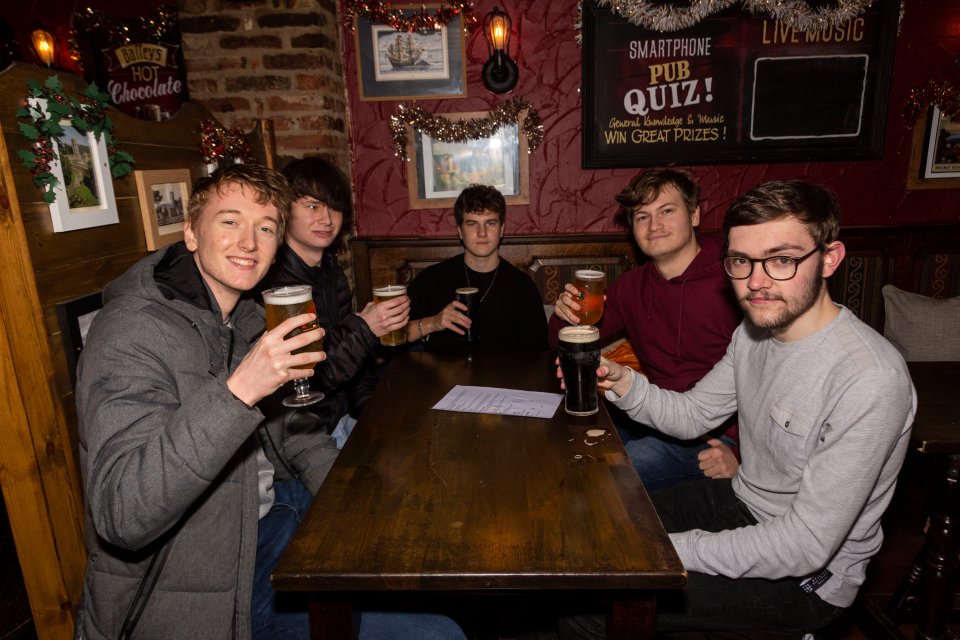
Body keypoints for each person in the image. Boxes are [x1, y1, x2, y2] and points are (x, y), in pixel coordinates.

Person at [74, 164, 465, 640]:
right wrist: (240, 391)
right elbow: (122, 515)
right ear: (191, 234)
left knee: (420, 557)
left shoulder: (246, 319)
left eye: (265, 228)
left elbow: (297, 438)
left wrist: (359, 505)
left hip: (270, 521)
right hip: (191, 586)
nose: (249, 242)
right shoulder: (129, 332)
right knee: (437, 634)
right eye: (230, 221)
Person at [559, 180, 916, 638]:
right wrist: (624, 381)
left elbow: (805, 545)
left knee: (591, 610)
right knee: (597, 532)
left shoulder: (870, 378)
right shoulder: (754, 334)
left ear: (829, 259)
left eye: (782, 259)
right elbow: (692, 416)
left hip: (808, 580)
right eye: (741, 261)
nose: (756, 281)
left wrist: (663, 551)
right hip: (743, 501)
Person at [548, 168, 741, 490]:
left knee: (615, 470)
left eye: (666, 211)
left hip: (718, 434)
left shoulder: (735, 276)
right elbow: (561, 341)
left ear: (694, 214)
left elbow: (775, 375)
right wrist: (566, 315)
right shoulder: (632, 286)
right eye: (641, 217)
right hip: (655, 415)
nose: (654, 226)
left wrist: (745, 455)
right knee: (566, 445)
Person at [257, 157, 409, 454]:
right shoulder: (273, 285)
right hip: (302, 439)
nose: (327, 219)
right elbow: (311, 374)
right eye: (313, 206)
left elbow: (355, 368)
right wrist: (365, 327)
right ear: (285, 210)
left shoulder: (331, 271)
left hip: (340, 421)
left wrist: (375, 416)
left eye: (334, 207)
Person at [406, 184, 547, 353]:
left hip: (504, 378)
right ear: (460, 231)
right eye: (472, 224)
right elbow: (395, 336)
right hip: (442, 378)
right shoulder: (432, 278)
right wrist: (433, 323)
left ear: (501, 229)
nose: (482, 233)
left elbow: (538, 354)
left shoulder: (522, 287)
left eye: (490, 223)